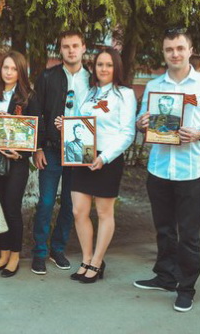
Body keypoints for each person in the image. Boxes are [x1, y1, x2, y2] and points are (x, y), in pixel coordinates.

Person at [134, 29, 200, 312]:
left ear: (190, 50)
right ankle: (165, 276)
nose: (174, 54)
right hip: (159, 168)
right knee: (164, 229)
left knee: (189, 235)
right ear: (164, 52)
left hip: (191, 171)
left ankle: (186, 287)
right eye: (169, 49)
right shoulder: (154, 85)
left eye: (180, 48)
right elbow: (141, 123)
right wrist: (141, 124)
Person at [55, 48, 136, 284]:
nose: (104, 69)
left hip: (108, 158)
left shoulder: (125, 94)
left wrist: (105, 157)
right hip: (83, 154)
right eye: (100, 64)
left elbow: (127, 133)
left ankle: (97, 262)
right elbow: (80, 122)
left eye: (109, 65)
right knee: (78, 211)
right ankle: (86, 258)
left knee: (103, 212)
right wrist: (65, 125)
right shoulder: (89, 93)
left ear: (116, 67)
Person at [31, 30, 90, 275]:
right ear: (61, 49)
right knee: (45, 202)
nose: (71, 50)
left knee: (70, 203)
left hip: (81, 149)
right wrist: (38, 147)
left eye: (75, 45)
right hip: (52, 148)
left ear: (83, 47)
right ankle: (39, 252)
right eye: (66, 46)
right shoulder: (47, 77)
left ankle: (57, 248)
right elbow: (36, 111)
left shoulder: (93, 79)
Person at [0, 51, 39, 278]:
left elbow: (35, 131)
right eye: (5, 67)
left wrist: (22, 154)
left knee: (12, 208)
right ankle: (3, 254)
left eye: (14, 69)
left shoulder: (29, 97)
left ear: (20, 72)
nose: (8, 72)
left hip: (17, 163)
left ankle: (15, 256)